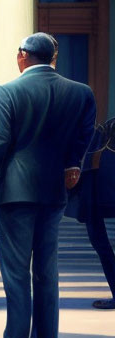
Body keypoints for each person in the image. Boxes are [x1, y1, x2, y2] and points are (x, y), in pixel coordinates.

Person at [0, 32, 96, 338]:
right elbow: (87, 132)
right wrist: (74, 161)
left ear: (22, 56)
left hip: (15, 192)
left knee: (16, 273)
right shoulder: (80, 93)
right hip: (54, 190)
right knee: (46, 270)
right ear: (52, 58)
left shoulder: (7, 92)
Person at [67, 117, 115, 309]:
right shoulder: (106, 128)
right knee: (99, 242)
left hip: (96, 189)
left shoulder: (105, 128)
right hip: (97, 189)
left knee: (100, 242)